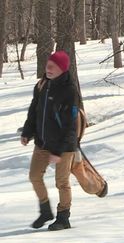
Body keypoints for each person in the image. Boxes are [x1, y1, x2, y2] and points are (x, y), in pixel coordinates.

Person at [21, 50, 79, 231]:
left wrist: (58, 151)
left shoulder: (69, 91)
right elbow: (34, 112)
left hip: (64, 146)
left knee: (62, 182)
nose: (48, 69)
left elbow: (70, 125)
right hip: (42, 142)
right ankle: (45, 210)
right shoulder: (42, 86)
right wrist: (27, 132)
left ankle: (63, 217)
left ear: (62, 69)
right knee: (34, 176)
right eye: (47, 66)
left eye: (52, 67)